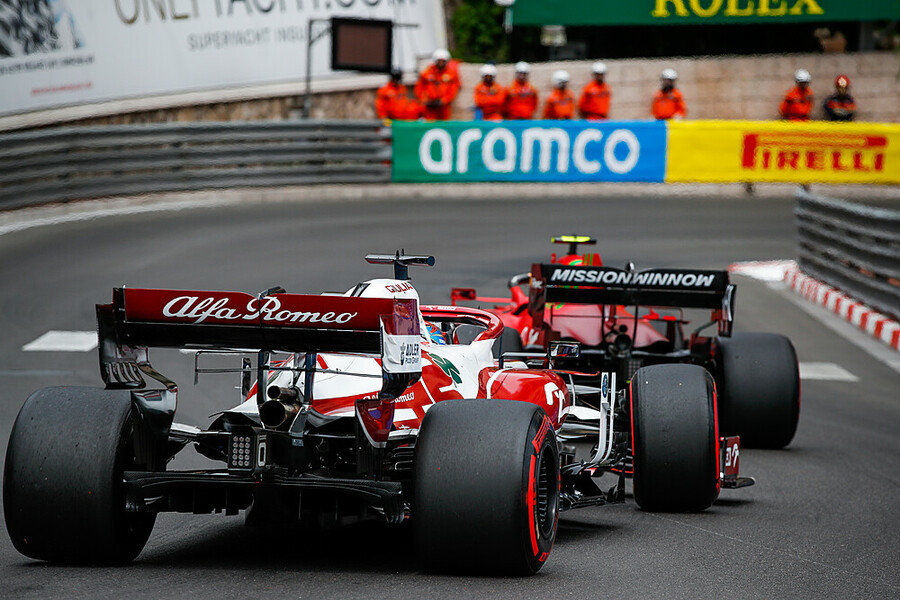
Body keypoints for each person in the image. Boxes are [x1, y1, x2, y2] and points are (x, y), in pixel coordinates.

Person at [414, 48, 460, 120]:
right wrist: (424, 100)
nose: (441, 63)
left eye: (443, 61)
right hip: (429, 106)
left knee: (444, 124)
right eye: (439, 61)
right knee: (429, 123)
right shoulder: (427, 72)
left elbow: (453, 89)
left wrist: (444, 100)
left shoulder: (451, 74)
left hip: (443, 107)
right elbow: (419, 87)